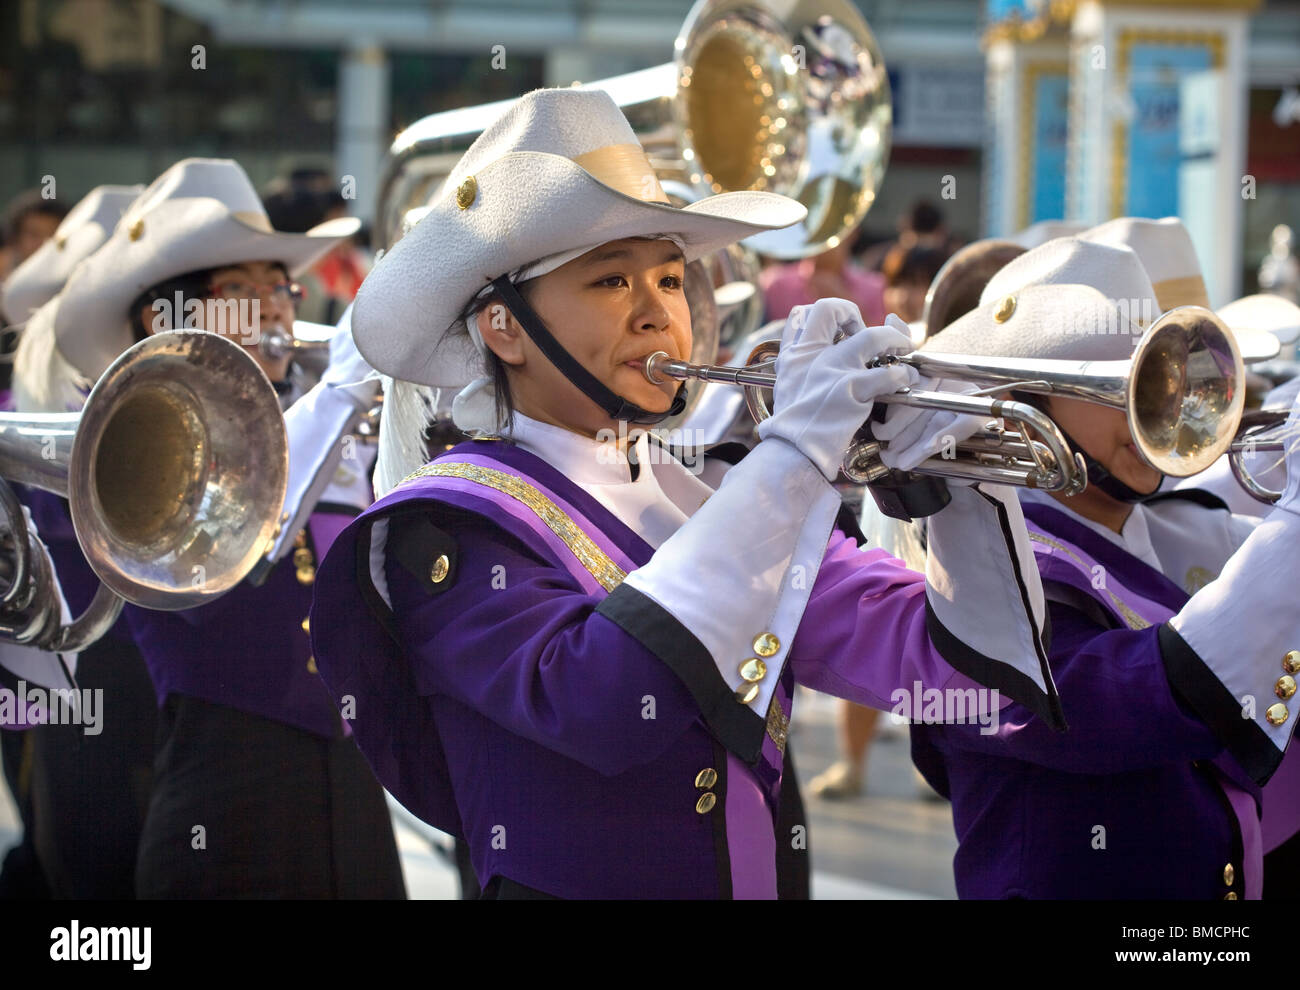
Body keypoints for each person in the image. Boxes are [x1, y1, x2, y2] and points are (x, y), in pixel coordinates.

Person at [307, 87, 1064, 899]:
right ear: (506, 328)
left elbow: (958, 676)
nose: (656, 313)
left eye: (669, 279)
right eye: (609, 282)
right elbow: (603, 699)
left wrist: (951, 485)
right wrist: (795, 455)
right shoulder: (452, 525)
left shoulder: (700, 497)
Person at [26, 158, 404, 899]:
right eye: (239, 290)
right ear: (161, 322)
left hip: (354, 802)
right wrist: (335, 399)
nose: (274, 308)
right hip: (225, 814)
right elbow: (231, 562)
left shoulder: (330, 429)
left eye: (279, 287)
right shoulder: (138, 449)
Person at [910, 235, 1300, 899]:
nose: (1158, 404)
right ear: (1031, 406)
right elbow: (1136, 703)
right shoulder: (991, 573)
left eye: (1157, 374)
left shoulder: (1176, 531)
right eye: (1114, 383)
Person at [759, 224, 885, 326]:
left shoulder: (876, 287)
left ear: (853, 232)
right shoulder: (774, 284)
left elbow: (884, 347)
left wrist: (847, 303)